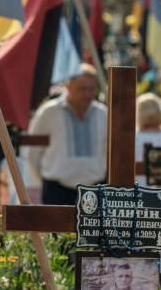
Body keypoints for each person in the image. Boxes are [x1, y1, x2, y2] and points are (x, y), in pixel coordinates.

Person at [26, 64, 107, 205]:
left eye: (91, 89)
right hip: (56, 190)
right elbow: (33, 153)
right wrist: (45, 178)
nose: (87, 94)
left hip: (95, 189)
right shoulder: (49, 112)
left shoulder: (103, 114)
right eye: (82, 89)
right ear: (68, 87)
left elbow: (108, 152)